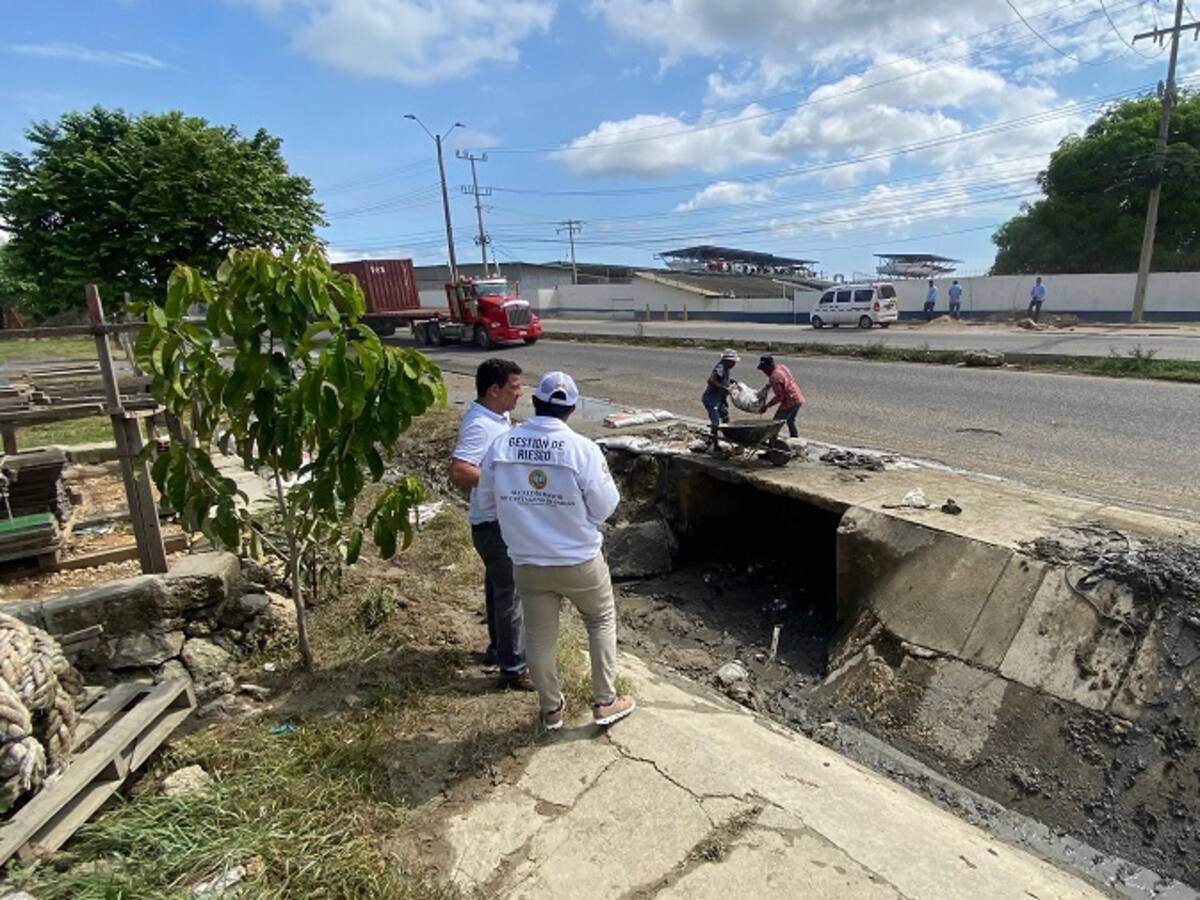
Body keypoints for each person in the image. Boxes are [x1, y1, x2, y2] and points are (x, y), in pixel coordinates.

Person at [477, 371, 635, 731]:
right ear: (573, 409)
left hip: (528, 563)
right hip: (579, 560)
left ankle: (551, 710)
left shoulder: (501, 446)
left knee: (538, 636)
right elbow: (604, 508)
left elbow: (485, 503)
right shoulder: (582, 449)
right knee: (600, 620)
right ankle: (605, 701)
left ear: (535, 402)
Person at [448, 359, 532, 691]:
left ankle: (499, 650)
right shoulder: (480, 425)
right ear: (494, 390)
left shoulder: (497, 417)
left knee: (498, 590)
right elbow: (459, 471)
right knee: (511, 595)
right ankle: (514, 669)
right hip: (493, 525)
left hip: (494, 521)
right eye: (514, 387)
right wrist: (505, 482)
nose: (520, 394)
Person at [756, 355, 805, 438]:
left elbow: (779, 397)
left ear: (770, 366)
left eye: (765, 369)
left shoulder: (774, 378)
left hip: (790, 401)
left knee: (775, 424)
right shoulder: (781, 367)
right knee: (790, 420)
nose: (764, 371)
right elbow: (784, 379)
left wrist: (766, 406)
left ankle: (772, 441)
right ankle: (795, 437)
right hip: (798, 397)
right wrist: (768, 386)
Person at [701, 349, 739, 450]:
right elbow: (711, 380)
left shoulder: (726, 368)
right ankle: (715, 445)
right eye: (733, 362)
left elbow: (724, 379)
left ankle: (725, 437)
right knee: (715, 423)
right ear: (727, 360)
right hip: (711, 399)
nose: (734, 364)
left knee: (725, 417)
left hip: (719, 399)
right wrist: (724, 388)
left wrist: (731, 381)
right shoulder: (720, 367)